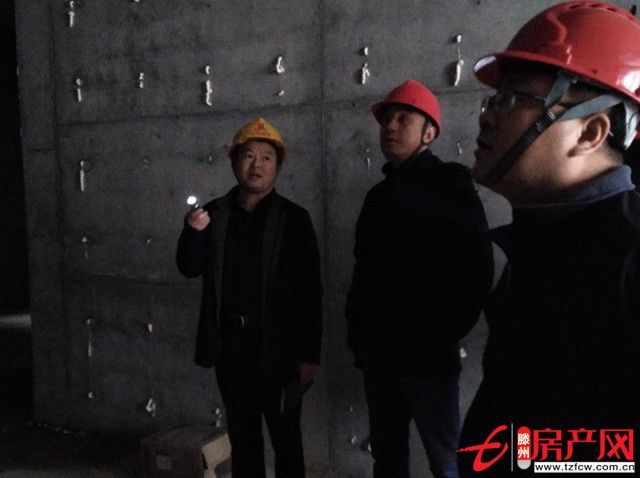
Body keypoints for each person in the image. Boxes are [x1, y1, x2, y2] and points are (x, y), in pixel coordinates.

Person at [458, 2, 640, 476]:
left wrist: (521, 457)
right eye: (492, 101)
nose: (487, 118)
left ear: (591, 131)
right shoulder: (544, 239)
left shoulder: (628, 259)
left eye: (512, 100)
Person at [346, 79, 494, 478]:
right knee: (388, 460)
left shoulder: (451, 186)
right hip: (380, 358)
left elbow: (476, 270)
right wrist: (360, 338)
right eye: (386, 120)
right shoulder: (377, 198)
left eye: (404, 119)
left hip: (429, 360)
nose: (390, 127)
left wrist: (441, 334)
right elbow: (362, 275)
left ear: (429, 133)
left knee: (446, 462)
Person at [176, 117, 323, 478]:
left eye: (266, 157)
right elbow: (188, 267)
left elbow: (310, 290)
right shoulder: (213, 214)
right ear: (235, 162)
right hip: (231, 349)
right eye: (248, 156)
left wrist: (309, 354)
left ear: (277, 167)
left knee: (286, 439)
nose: (257, 165)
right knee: (243, 440)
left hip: (280, 352)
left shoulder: (294, 219)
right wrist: (193, 233)